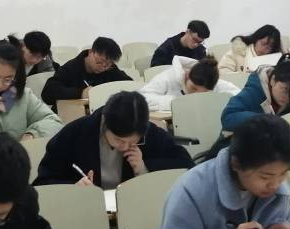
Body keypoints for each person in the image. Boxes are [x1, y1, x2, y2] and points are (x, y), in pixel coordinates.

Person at [152, 115, 290, 229]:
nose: (275, 184)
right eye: (265, 177)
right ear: (236, 164)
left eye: (284, 173)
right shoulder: (192, 188)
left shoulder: (277, 189)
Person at [34, 91, 193, 189]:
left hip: (133, 208)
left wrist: (144, 167)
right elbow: (43, 181)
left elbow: (186, 164)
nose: (125, 147)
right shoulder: (75, 133)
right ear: (104, 122)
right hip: (87, 211)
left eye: (133, 142)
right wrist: (73, 189)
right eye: (119, 140)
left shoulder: (148, 132)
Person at [221, 57, 290, 132]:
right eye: (284, 89)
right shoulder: (254, 91)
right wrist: (265, 120)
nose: (288, 98)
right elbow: (228, 117)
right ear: (273, 80)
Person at [40, 37, 133, 106]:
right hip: (72, 114)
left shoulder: (110, 68)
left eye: (107, 65)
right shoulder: (71, 67)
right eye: (99, 62)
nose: (102, 67)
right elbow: (48, 93)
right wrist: (81, 93)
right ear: (90, 52)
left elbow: (129, 84)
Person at [139, 56, 240, 112]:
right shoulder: (167, 77)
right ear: (187, 75)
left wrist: (213, 101)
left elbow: (238, 95)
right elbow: (141, 99)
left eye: (202, 94)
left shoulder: (211, 81)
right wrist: (177, 103)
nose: (194, 95)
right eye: (193, 88)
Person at [218, 25, 282, 74]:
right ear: (256, 39)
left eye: (270, 46)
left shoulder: (275, 59)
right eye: (263, 43)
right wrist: (241, 76)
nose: (266, 49)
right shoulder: (238, 51)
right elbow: (223, 71)